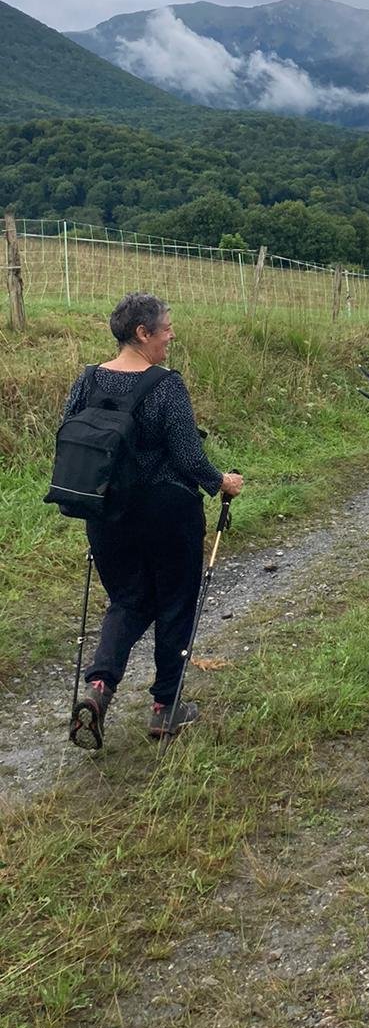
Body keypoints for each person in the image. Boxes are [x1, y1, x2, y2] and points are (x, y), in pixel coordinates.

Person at [65, 293, 243, 748]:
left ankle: (99, 687)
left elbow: (69, 438)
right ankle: (166, 708)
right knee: (175, 603)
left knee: (127, 600)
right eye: (166, 328)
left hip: (107, 512)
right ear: (142, 333)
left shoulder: (88, 380)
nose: (172, 334)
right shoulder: (165, 385)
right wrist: (222, 482)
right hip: (168, 511)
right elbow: (187, 456)